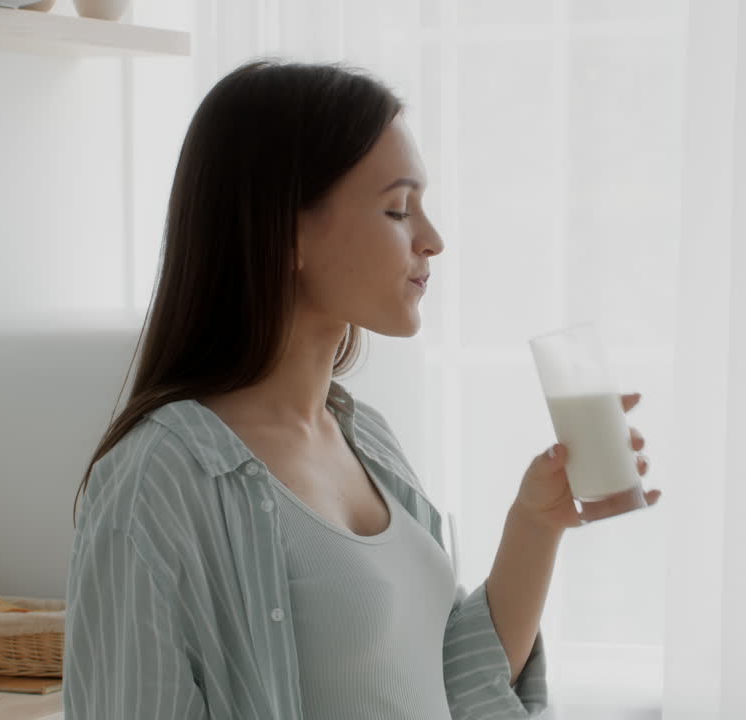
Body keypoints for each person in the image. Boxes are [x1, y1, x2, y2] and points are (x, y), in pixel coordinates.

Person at [62, 59, 659, 720]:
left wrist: (537, 522)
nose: (431, 240)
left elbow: (447, 686)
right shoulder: (160, 480)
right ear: (286, 231)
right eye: (397, 209)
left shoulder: (363, 437)